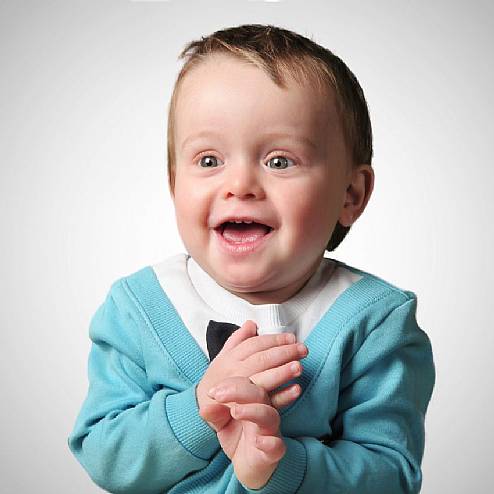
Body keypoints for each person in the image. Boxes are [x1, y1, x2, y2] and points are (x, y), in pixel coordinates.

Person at [68, 24, 435, 493]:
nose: (239, 185)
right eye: (208, 160)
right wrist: (200, 408)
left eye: (279, 161)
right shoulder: (137, 307)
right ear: (174, 183)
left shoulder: (375, 321)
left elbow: (391, 475)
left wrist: (280, 466)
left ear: (350, 193)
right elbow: (104, 453)